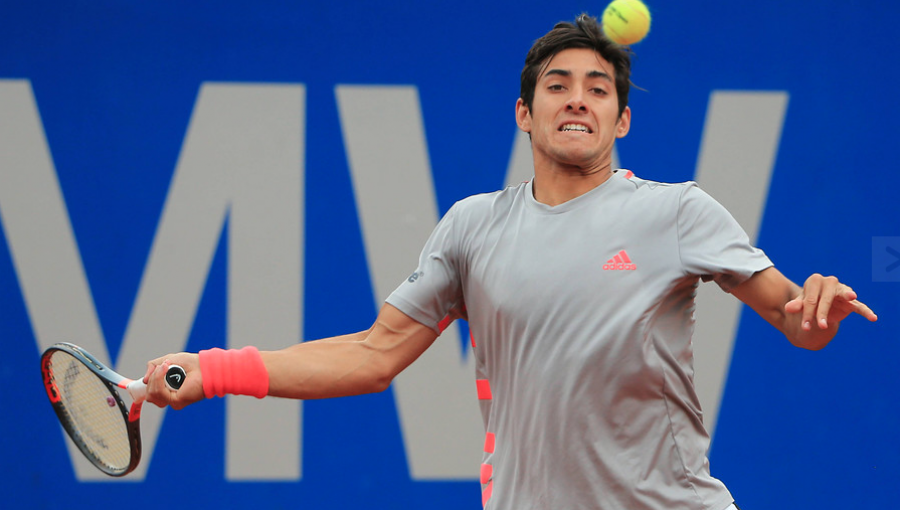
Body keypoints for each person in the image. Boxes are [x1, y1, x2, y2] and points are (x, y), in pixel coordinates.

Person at [145, 14, 877, 510]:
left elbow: (791, 317)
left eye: (599, 89)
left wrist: (813, 310)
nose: (577, 100)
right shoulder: (471, 227)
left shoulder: (676, 211)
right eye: (557, 86)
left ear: (621, 120)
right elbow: (373, 356)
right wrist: (214, 371)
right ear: (525, 113)